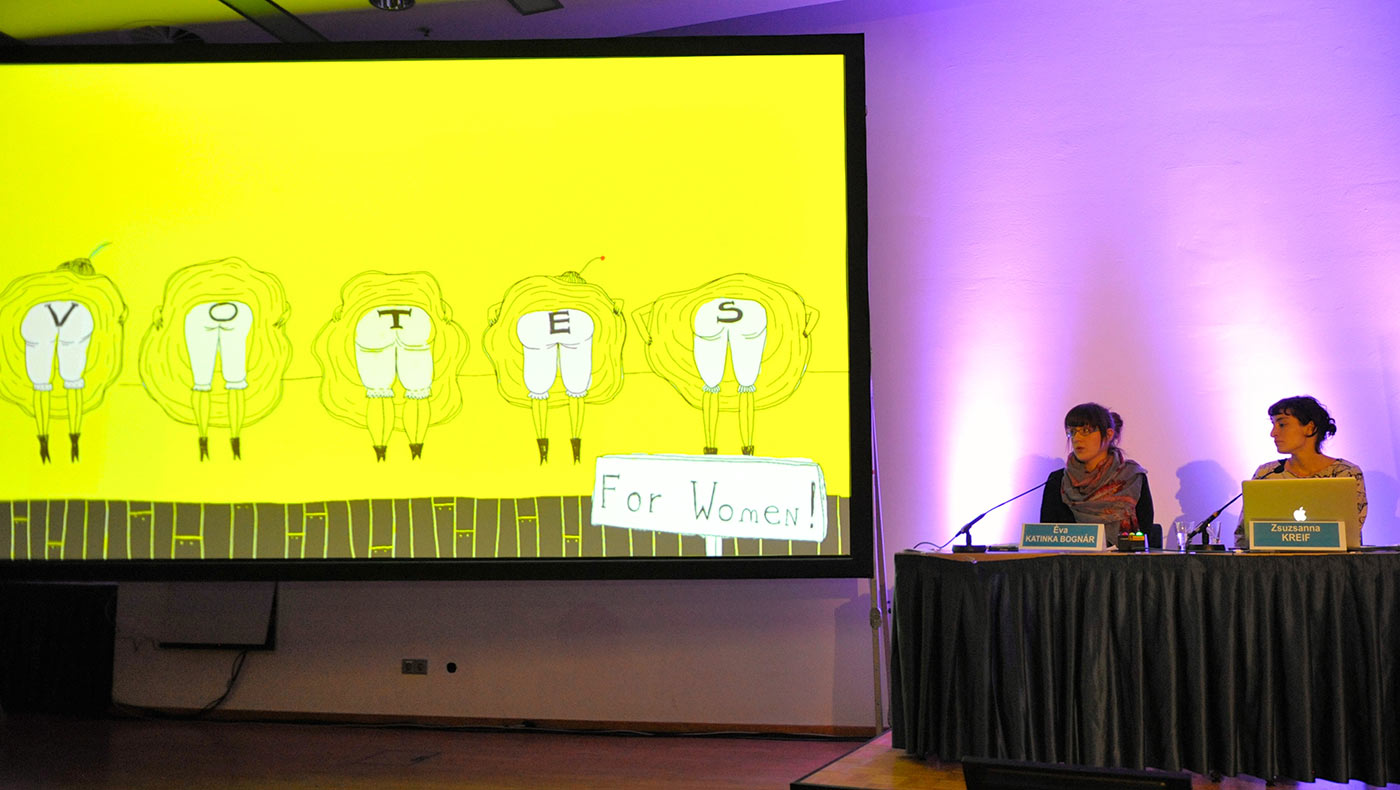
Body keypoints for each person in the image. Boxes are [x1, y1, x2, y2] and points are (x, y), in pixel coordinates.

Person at [1234, 395, 1366, 547]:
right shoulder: (1267, 473)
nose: (1273, 433)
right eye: (1273, 425)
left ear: (1310, 428)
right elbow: (1245, 535)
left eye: (1282, 424)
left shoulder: (1345, 473)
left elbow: (1350, 533)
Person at [1040, 403, 1154, 545]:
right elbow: (1048, 540)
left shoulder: (1131, 478)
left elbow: (1145, 534)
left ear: (1109, 434)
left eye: (1086, 430)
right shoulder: (1057, 481)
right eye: (1072, 432)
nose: (1077, 438)